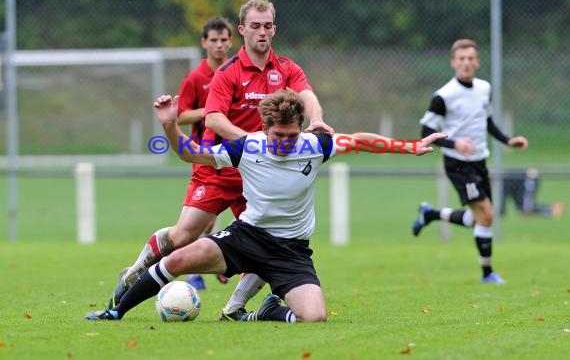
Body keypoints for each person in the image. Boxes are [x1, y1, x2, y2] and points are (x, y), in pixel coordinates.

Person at [85, 89, 446, 323]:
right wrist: (170, 127)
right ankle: (116, 311)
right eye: (279, 137)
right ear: (264, 128)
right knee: (177, 259)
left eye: (292, 136)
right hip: (246, 237)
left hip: (291, 251)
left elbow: (362, 141)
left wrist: (410, 147)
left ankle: (268, 311)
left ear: (300, 129)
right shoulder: (247, 148)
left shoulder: (315, 145)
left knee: (315, 318)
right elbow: (188, 153)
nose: (287, 143)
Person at [105, 0, 334, 315]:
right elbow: (212, 119)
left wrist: (317, 118)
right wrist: (253, 146)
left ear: (274, 29)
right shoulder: (226, 73)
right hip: (220, 168)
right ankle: (135, 271)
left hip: (259, 177)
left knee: (269, 240)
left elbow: (307, 95)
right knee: (183, 235)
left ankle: (235, 307)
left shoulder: (287, 68)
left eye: (267, 26)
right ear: (243, 30)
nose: (262, 32)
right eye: (255, 26)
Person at [411, 38, 528, 284]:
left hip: (479, 161)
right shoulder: (443, 96)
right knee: (486, 215)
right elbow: (425, 133)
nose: (466, 63)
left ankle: (430, 214)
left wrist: (508, 141)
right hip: (458, 164)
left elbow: (486, 121)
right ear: (453, 62)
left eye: (470, 58)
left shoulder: (484, 88)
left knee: (481, 218)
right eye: (461, 59)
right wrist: (455, 144)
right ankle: (487, 274)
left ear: (477, 62)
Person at [500, 168, 565, 218]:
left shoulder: (503, 181)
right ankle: (551, 210)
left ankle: (553, 209)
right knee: (523, 209)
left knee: (526, 209)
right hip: (522, 184)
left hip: (529, 179)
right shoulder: (503, 183)